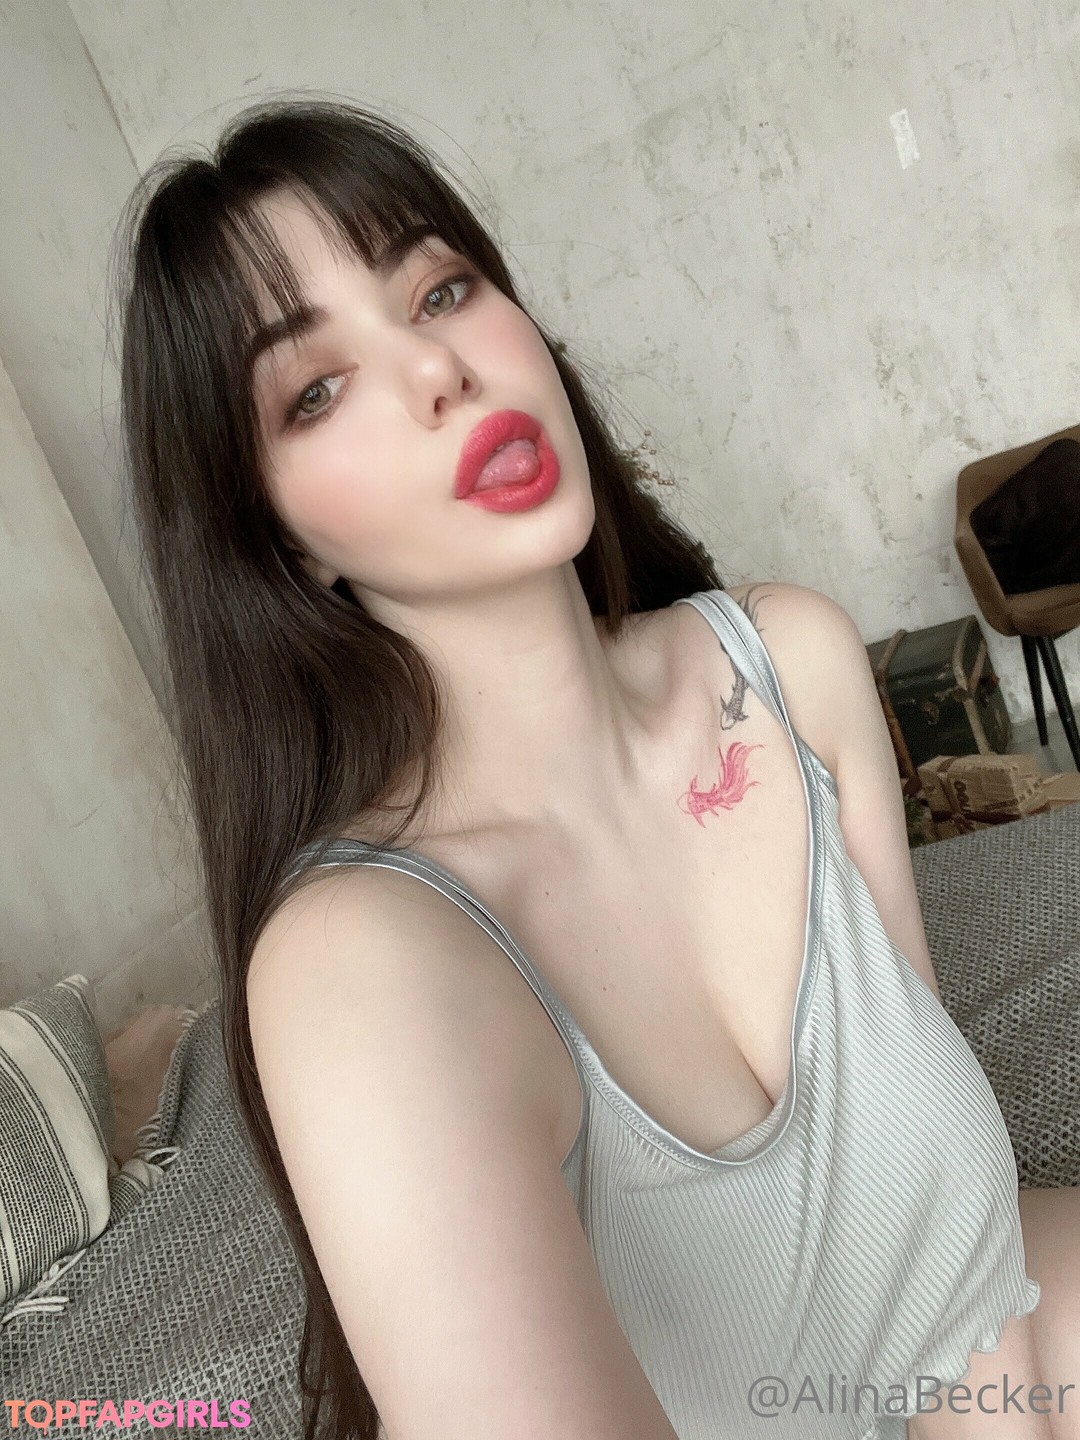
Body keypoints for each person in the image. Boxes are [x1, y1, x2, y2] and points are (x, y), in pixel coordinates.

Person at [110, 95, 1080, 1440]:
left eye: (440, 288)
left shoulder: (790, 668)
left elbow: (947, 1225)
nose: (437, 368)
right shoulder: (360, 967)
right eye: (315, 389)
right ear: (281, 544)